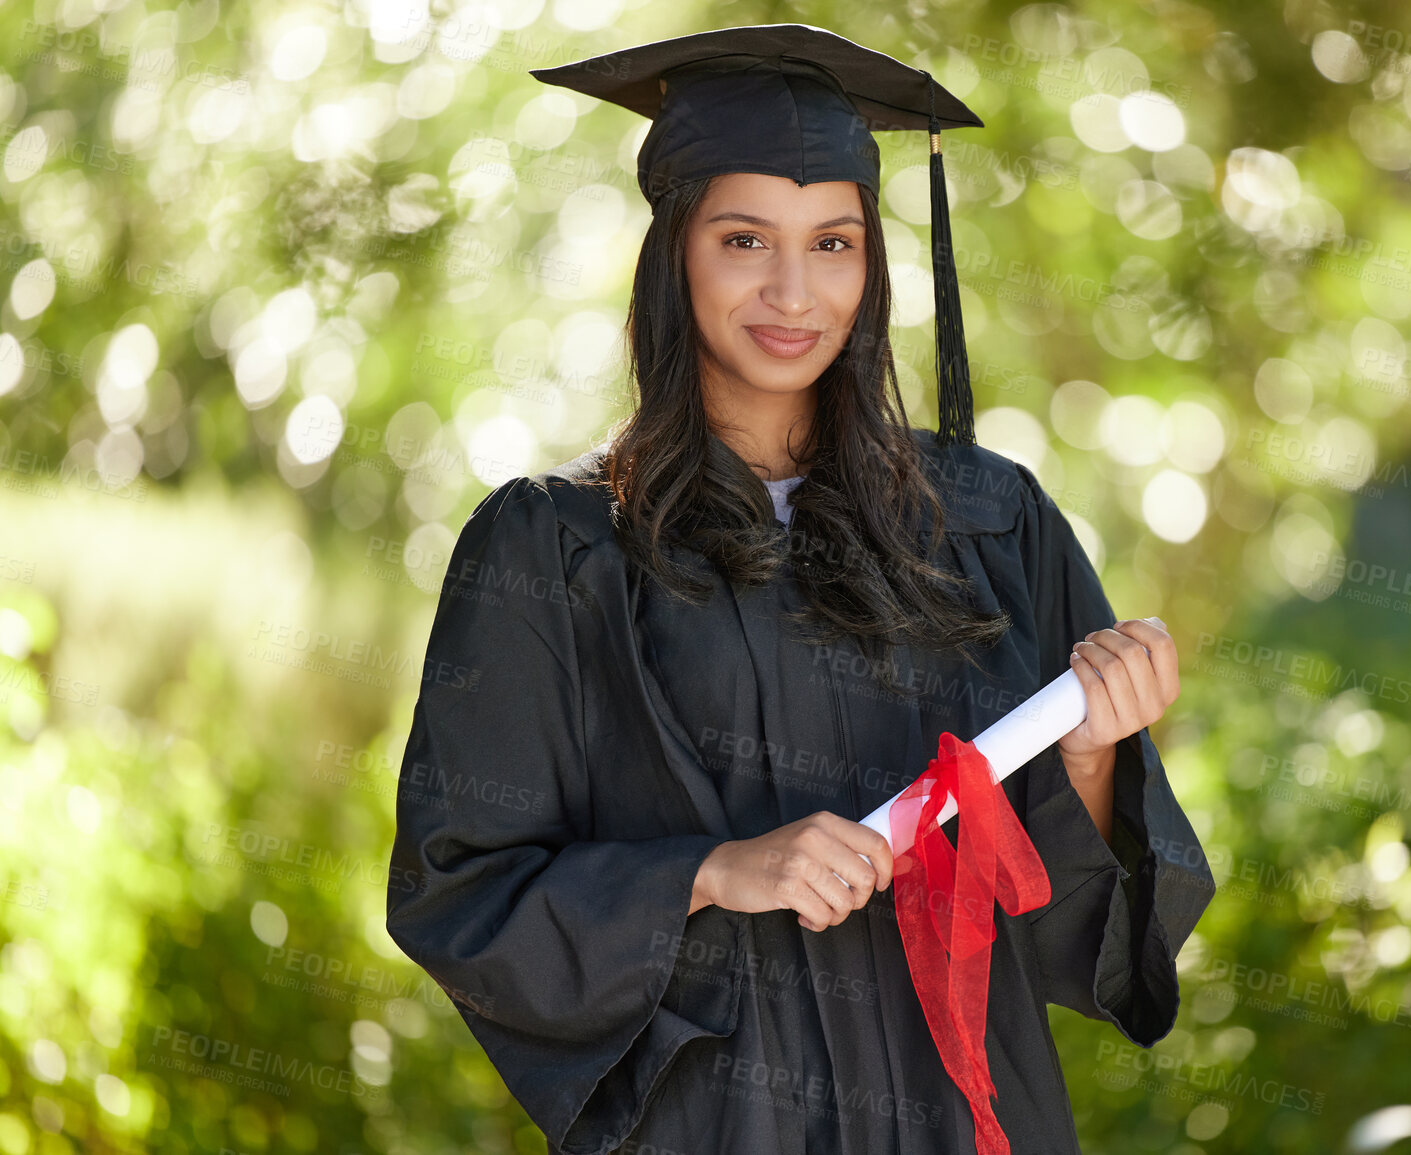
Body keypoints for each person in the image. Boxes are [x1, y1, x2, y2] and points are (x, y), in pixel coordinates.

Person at [384, 23, 1215, 1155]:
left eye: (833, 243)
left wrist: (1091, 752)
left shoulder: (983, 519)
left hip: (969, 1114)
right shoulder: (555, 552)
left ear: (872, 264)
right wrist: (715, 872)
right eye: (743, 239)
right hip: (727, 1121)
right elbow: (460, 892)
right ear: (675, 253)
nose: (793, 291)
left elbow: (1088, 936)